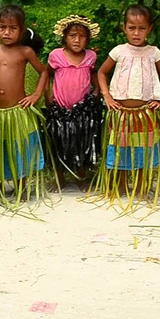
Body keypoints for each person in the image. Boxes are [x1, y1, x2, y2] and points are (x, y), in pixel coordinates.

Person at [95, 5, 160, 209]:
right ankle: (120, 185)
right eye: (132, 28)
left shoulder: (153, 53)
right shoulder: (118, 51)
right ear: (124, 28)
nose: (136, 33)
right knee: (121, 148)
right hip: (121, 113)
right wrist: (107, 96)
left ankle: (140, 186)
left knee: (142, 149)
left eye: (141, 28)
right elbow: (101, 73)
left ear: (150, 29)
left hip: (144, 114)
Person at [0, 4, 49, 206]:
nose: (7, 32)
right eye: (2, 27)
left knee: (20, 148)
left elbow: (44, 72)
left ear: (21, 30)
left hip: (18, 112)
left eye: (12, 28)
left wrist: (35, 95)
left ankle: (21, 186)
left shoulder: (26, 52)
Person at [45, 15, 102, 191]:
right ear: (64, 37)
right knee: (59, 143)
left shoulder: (91, 57)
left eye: (82, 36)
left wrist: (97, 91)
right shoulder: (56, 55)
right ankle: (60, 178)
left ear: (88, 39)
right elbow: (46, 74)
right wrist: (48, 96)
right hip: (60, 109)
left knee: (83, 142)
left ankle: (81, 177)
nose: (77, 40)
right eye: (72, 35)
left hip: (82, 111)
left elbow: (94, 75)